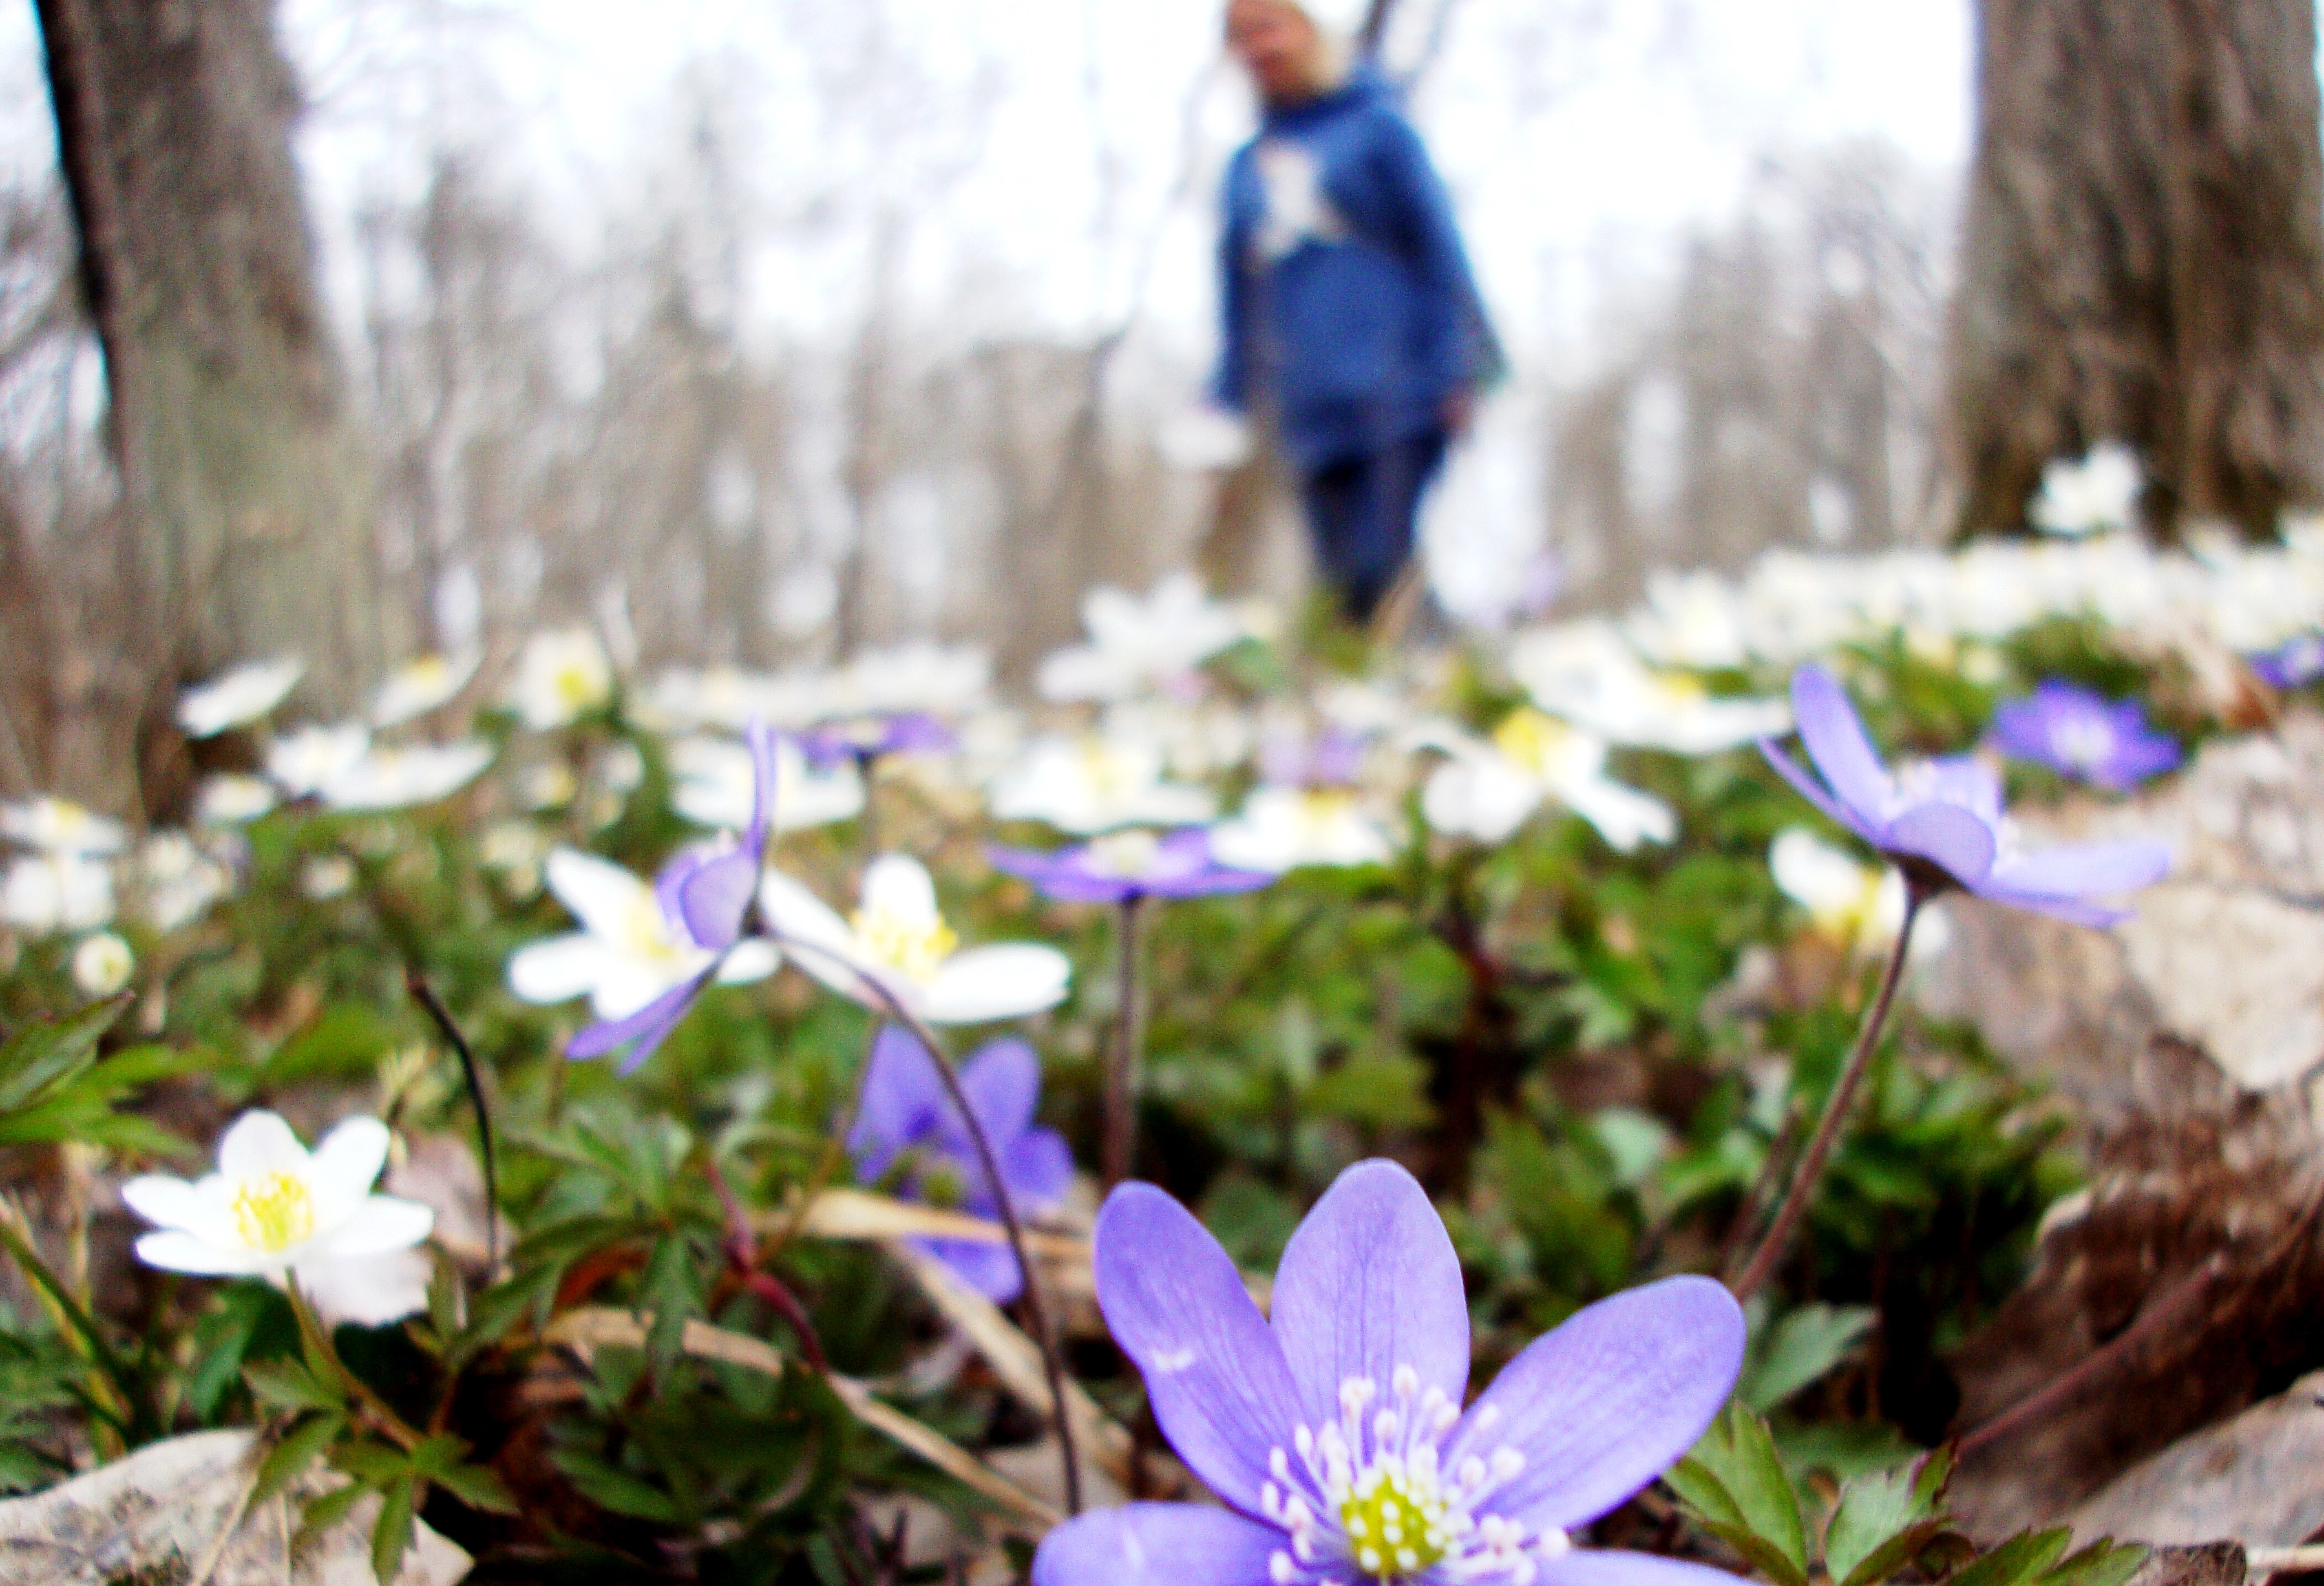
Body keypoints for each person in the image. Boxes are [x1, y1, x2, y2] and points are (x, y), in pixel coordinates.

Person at [1209, 0, 1503, 627]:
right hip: (1308, 406)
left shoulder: (1375, 128)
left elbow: (1438, 246)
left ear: (1309, 30)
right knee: (1339, 584)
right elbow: (1238, 300)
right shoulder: (1244, 169)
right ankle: (1391, 698)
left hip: (1399, 386)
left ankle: (1433, 690)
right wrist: (1224, 403)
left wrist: (1460, 364)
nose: (1259, 45)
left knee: (1381, 565)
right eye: (1241, 35)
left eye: (1270, 26)